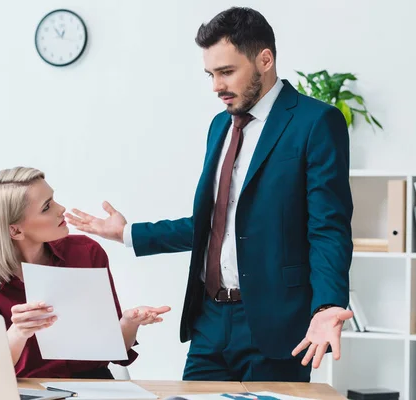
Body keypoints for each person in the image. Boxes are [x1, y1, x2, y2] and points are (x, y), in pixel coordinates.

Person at [65, 6, 354, 382]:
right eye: (210, 74)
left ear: (264, 59)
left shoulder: (315, 122)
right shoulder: (220, 126)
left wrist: (328, 305)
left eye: (227, 71)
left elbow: (327, 226)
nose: (216, 86)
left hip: (274, 321)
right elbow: (214, 224)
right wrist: (126, 233)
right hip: (209, 323)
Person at [0, 166, 170, 379]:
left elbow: (115, 351)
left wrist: (129, 322)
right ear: (15, 230)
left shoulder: (85, 252)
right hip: (27, 391)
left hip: (95, 387)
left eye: (53, 199)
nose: (61, 208)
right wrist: (18, 331)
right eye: (46, 207)